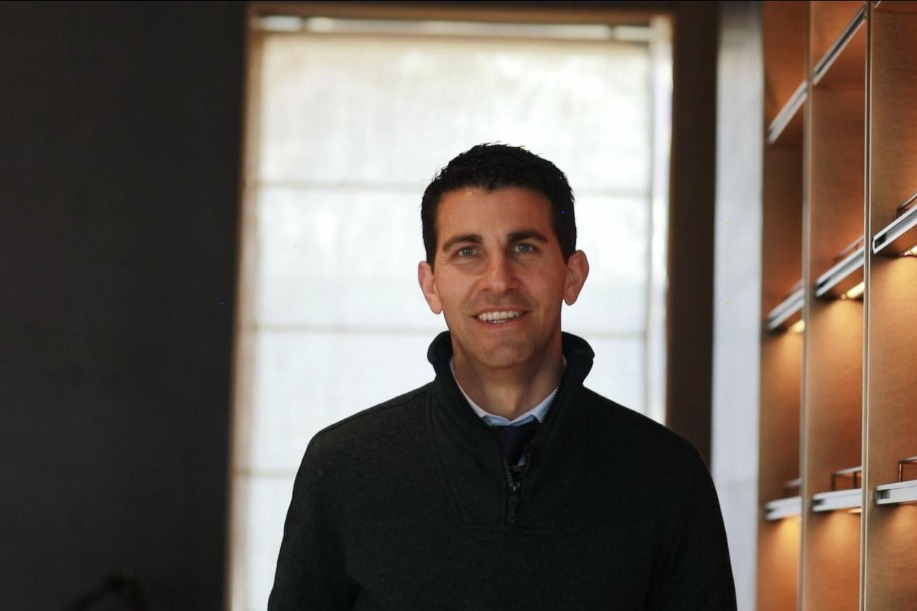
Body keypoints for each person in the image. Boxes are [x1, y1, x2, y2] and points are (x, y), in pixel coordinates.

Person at [268, 143, 736, 610]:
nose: (498, 280)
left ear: (572, 275)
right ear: (431, 285)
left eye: (524, 248)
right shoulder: (344, 469)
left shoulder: (667, 475)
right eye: (467, 251)